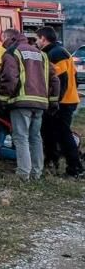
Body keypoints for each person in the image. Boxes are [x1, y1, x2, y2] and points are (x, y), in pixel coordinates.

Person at [0, 29, 56, 180]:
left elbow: (10, 78)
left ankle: (23, 174)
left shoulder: (13, 52)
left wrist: (3, 98)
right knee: (35, 137)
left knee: (21, 137)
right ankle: (37, 173)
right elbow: (54, 79)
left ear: (8, 39)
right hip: (41, 102)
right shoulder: (41, 54)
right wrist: (53, 100)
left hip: (21, 101)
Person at [35, 26, 83, 177]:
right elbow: (73, 77)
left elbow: (58, 81)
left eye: (37, 39)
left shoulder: (54, 54)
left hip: (63, 102)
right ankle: (54, 162)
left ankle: (75, 168)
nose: (36, 42)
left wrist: (54, 102)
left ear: (43, 38)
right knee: (52, 133)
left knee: (63, 135)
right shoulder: (63, 51)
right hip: (69, 99)